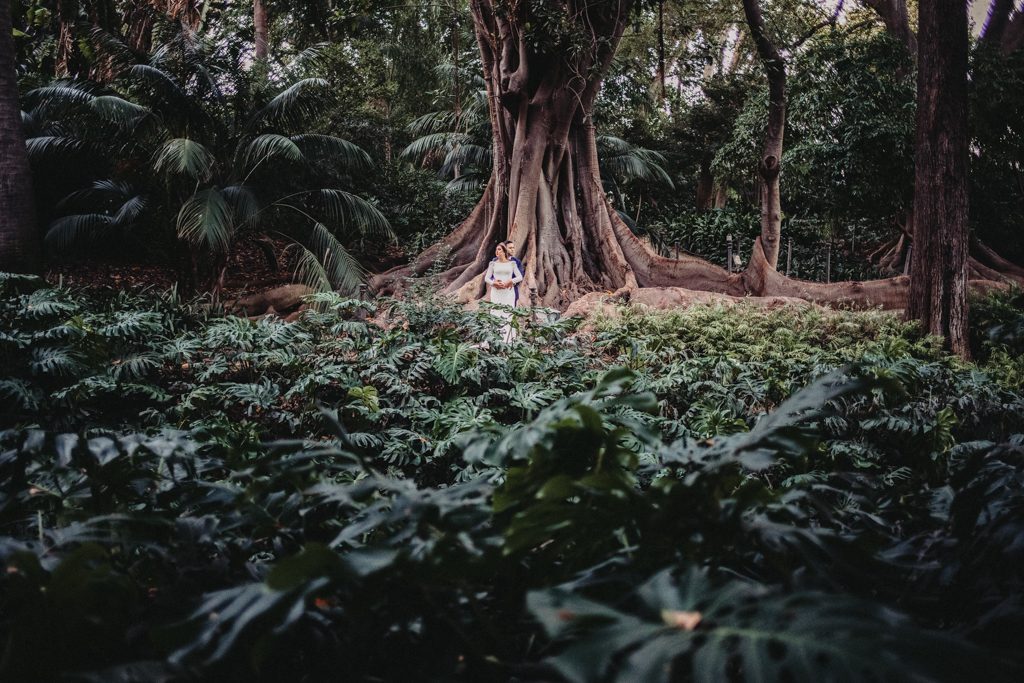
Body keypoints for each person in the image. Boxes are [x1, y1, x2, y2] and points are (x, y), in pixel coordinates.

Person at [484, 243, 523, 343]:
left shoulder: (512, 264)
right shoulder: (492, 264)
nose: (497, 252)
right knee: (496, 312)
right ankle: (495, 339)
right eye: (496, 250)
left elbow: (520, 277)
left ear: (504, 251)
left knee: (508, 313)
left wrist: (511, 281)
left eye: (499, 249)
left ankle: (508, 340)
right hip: (496, 292)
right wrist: (493, 283)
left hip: (508, 293)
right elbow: (487, 278)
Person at [491, 240, 525, 305]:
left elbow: (521, 275)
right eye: (510, 248)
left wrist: (512, 282)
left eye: (513, 248)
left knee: (510, 309)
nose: (512, 250)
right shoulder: (495, 260)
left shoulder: (516, 262)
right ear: (504, 249)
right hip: (498, 290)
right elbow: (491, 275)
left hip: (511, 290)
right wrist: (494, 281)